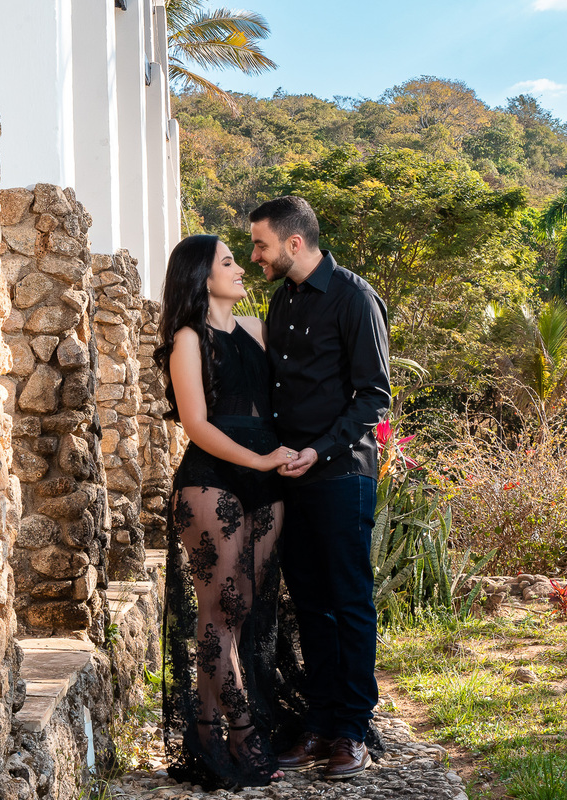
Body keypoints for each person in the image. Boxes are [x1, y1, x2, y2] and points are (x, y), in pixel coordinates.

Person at [250, 196, 392, 780]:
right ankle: (320, 722)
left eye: (260, 245)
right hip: (291, 476)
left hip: (341, 472)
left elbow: (374, 397)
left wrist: (319, 450)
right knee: (308, 602)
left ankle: (353, 730)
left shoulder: (355, 298)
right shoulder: (281, 301)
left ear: (293, 243)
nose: (255, 255)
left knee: (348, 601)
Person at [155, 234, 297, 788]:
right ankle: (242, 734)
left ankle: (206, 731)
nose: (242, 268)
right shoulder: (187, 338)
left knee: (242, 612)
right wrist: (260, 461)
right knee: (223, 604)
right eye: (229, 262)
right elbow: (197, 425)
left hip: (267, 476)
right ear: (201, 276)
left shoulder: (258, 330)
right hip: (212, 477)